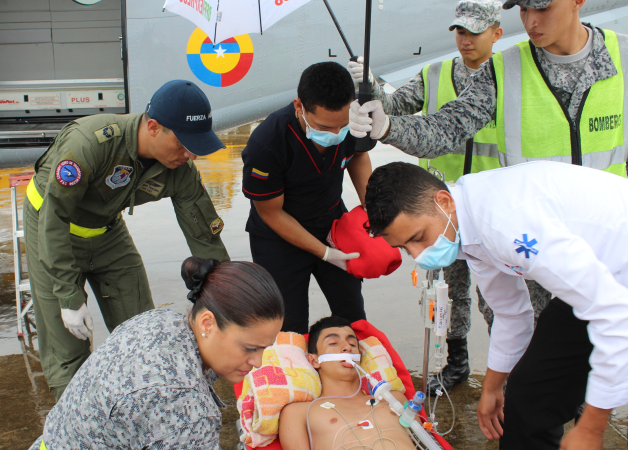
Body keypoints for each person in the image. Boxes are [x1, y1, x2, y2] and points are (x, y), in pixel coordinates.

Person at [364, 161, 628, 450]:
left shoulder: (504, 224)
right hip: (605, 281)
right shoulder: (465, 223)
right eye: (405, 247)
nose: (419, 254)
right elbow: (510, 312)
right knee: (529, 393)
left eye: (418, 238)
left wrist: (591, 427)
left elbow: (615, 314)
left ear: (443, 201)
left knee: (542, 391)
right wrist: (492, 388)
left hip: (617, 288)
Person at [348, 0, 524, 395]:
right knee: (450, 291)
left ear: (497, 32)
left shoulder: (509, 77)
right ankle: (456, 360)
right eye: (460, 32)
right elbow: (393, 108)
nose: (465, 40)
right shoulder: (435, 74)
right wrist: (371, 85)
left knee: (502, 297)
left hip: (489, 209)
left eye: (474, 32)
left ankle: (509, 366)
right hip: (437, 212)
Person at [24, 80, 230, 400]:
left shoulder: (178, 167)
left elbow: (204, 234)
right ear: (152, 127)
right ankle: (77, 425)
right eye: (184, 143)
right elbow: (54, 219)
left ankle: (140, 412)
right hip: (52, 227)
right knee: (69, 348)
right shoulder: (90, 144)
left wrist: (228, 295)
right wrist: (67, 295)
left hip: (106, 230)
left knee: (144, 332)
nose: (189, 153)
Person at [350, 0, 628, 179]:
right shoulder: (504, 69)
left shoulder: (623, 55)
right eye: (523, 9)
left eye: (542, 8)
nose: (530, 21)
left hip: (607, 234)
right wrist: (387, 126)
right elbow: (446, 130)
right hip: (532, 242)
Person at [29, 256, 285, 450]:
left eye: (266, 347)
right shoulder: (184, 406)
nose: (258, 362)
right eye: (251, 348)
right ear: (207, 323)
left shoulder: (158, 320)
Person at [241, 62, 374, 334]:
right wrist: (324, 253)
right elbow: (271, 213)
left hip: (332, 221)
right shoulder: (268, 143)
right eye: (325, 127)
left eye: (343, 126)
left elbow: (358, 155)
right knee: (288, 328)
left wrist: (373, 211)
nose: (336, 135)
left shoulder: (354, 121)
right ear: (299, 106)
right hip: (279, 236)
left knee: (353, 318)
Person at [279, 316, 415, 450]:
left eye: (352, 344)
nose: (347, 348)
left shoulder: (393, 399)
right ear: (314, 361)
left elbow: (424, 440)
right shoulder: (299, 412)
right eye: (333, 343)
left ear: (359, 356)